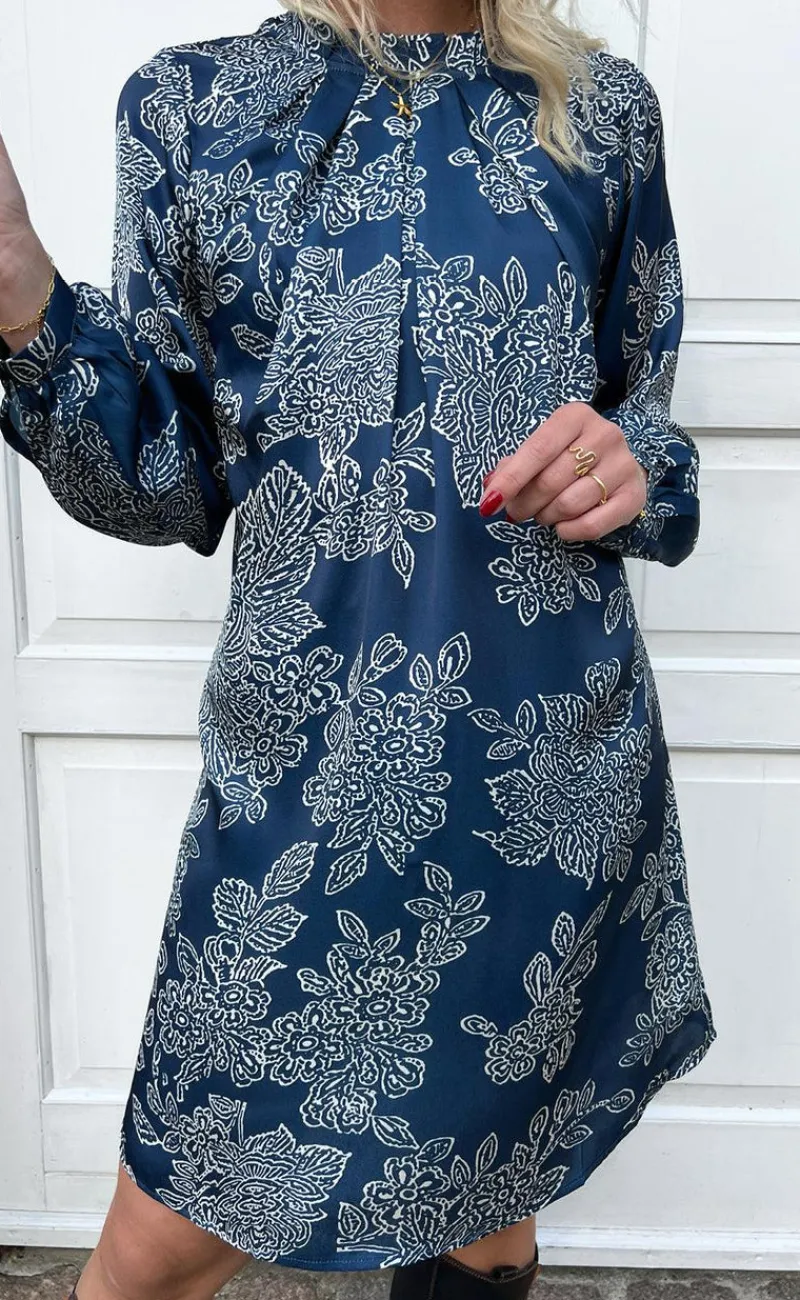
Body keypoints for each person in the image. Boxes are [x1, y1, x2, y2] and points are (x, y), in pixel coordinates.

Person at [0, 0, 718, 1296]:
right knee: (161, 1241)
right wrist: (22, 301)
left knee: (486, 1213)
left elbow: (642, 423)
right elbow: (164, 477)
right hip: (302, 784)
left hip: (537, 790)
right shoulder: (194, 110)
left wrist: (632, 468)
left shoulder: (601, 113)